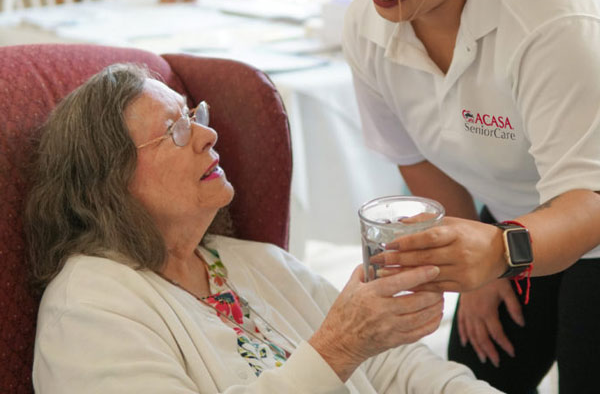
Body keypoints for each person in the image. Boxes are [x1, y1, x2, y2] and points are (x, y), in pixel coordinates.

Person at [25, 63, 501, 394]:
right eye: (176, 130)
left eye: (196, 117)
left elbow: (389, 364)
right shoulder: (89, 309)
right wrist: (337, 347)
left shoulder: (252, 261)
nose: (208, 136)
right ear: (110, 178)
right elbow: (348, 348)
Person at [331, 0, 600, 394]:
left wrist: (500, 253)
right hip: (514, 219)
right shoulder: (371, 22)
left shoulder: (554, 22)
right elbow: (411, 154)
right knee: (469, 378)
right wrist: (473, 259)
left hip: (587, 215)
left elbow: (587, 201)